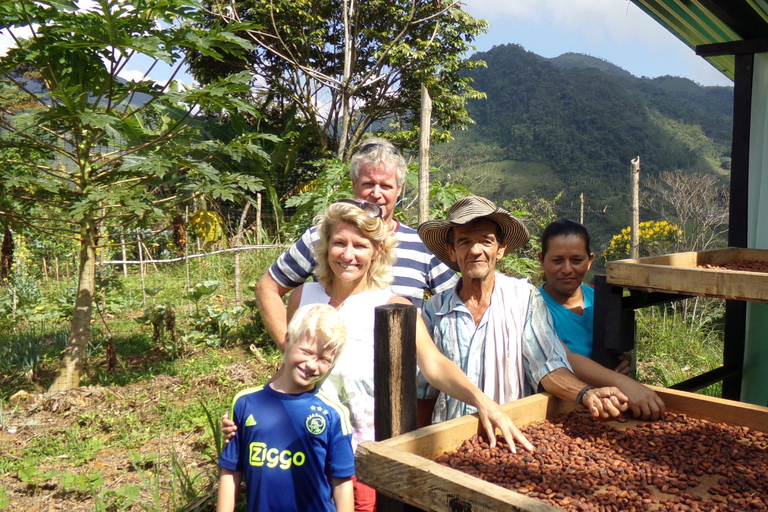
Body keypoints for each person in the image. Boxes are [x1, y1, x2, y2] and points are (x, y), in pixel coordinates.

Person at [417, 196, 630, 424]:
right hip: (452, 438)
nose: (476, 250)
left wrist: (587, 393)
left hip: (512, 435)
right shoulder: (434, 310)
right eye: (465, 242)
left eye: (486, 241)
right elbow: (424, 391)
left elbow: (547, 365)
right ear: (451, 251)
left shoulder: (523, 298)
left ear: (500, 249)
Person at [255, 137, 458, 351]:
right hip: (326, 372)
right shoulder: (321, 237)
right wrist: (289, 350)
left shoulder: (422, 245)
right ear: (354, 185)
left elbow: (455, 300)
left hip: (401, 372)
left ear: (399, 190)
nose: (376, 194)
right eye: (368, 184)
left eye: (386, 186)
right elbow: (267, 287)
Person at [217, 304, 354, 512]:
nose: (312, 365)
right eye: (307, 352)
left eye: (324, 359)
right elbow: (230, 472)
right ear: (289, 340)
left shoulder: (334, 414)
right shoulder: (245, 403)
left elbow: (342, 484)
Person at [537, 218, 665, 420]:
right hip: (563, 408)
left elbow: (620, 345)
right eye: (557, 260)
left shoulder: (601, 299)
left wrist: (624, 360)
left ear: (590, 261)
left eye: (577, 260)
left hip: (613, 406)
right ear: (541, 260)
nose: (567, 269)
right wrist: (623, 383)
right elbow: (563, 357)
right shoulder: (534, 308)